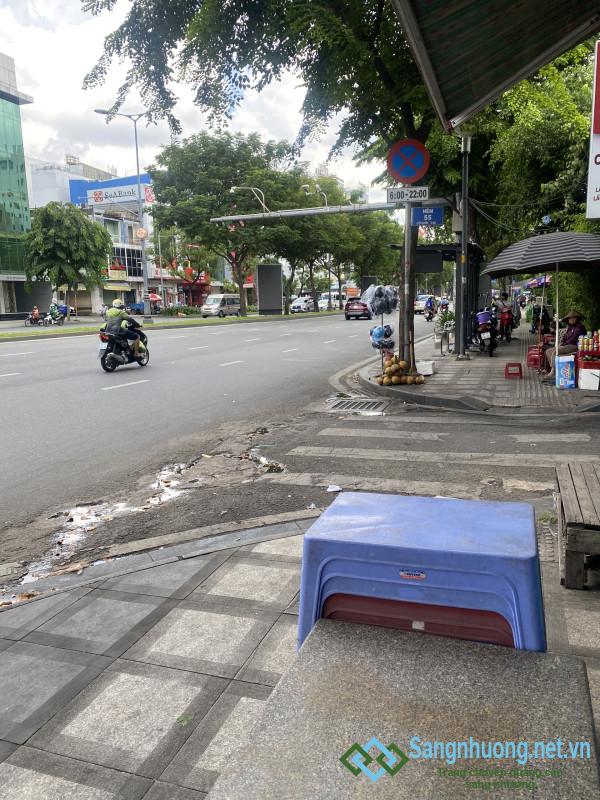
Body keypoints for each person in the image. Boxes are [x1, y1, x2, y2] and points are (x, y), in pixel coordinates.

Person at [541, 310, 586, 383]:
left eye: (573, 318)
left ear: (577, 319)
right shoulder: (570, 327)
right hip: (567, 345)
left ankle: (553, 372)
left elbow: (573, 339)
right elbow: (565, 337)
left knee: (556, 351)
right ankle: (553, 369)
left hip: (575, 346)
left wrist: (563, 344)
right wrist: (562, 342)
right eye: (570, 318)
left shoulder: (579, 327)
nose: (571, 320)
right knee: (548, 351)